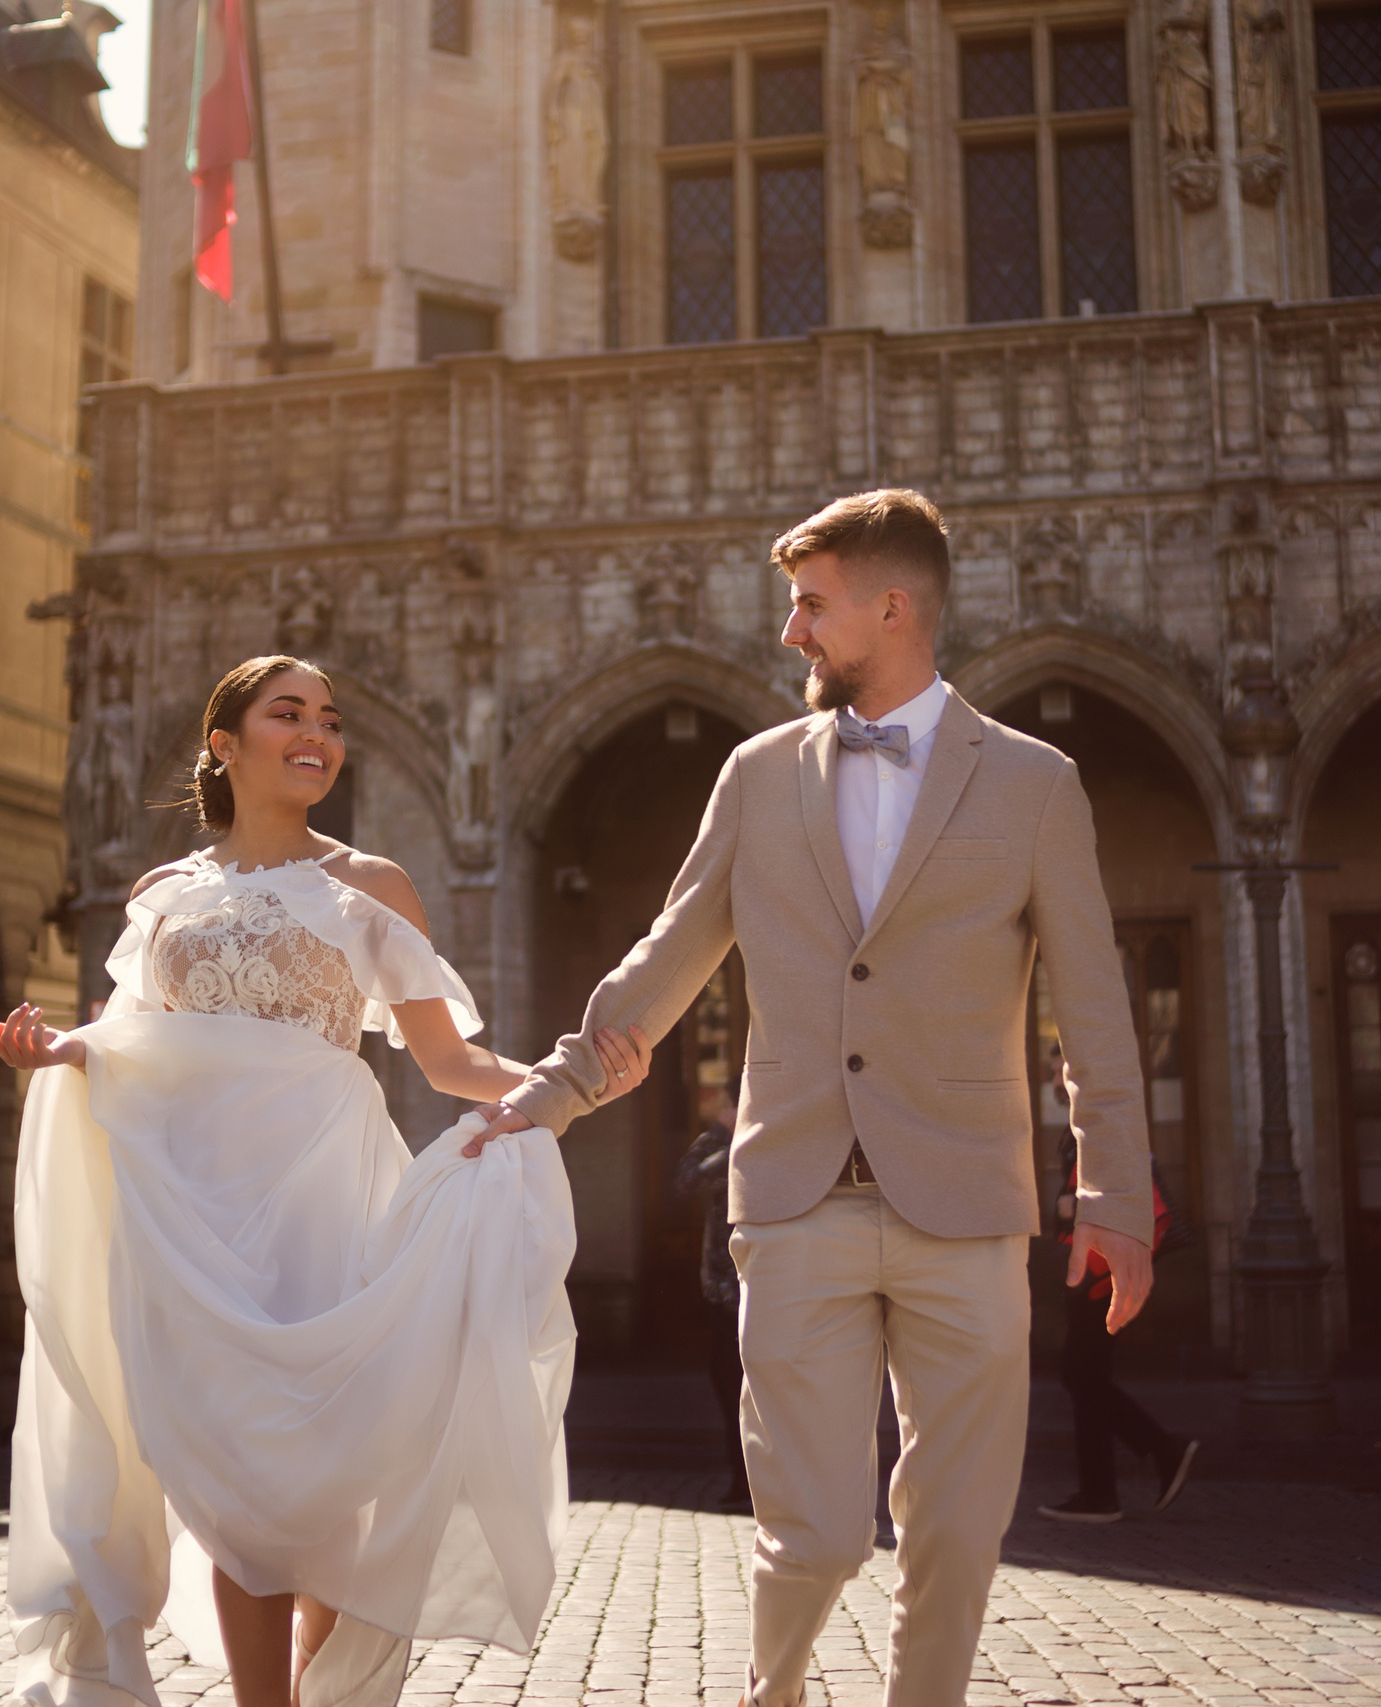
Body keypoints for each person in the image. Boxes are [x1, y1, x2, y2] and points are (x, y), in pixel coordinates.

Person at [474, 489, 1155, 1707]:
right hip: (794, 1207)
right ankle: (772, 1689)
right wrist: (557, 1089)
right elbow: (670, 951)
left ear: (890, 610)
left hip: (967, 1205)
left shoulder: (1036, 785)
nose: (790, 631)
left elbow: (1093, 1010)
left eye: (809, 605)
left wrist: (1112, 1194)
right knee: (818, 1532)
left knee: (956, 1531)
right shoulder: (756, 775)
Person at [0, 654, 651, 1707]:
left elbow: (445, 1066)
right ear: (224, 744)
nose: (318, 735)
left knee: (321, 1479)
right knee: (233, 1480)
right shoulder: (162, 894)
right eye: (286, 713)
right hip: (190, 1210)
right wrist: (56, 1050)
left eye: (331, 720)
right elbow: (132, 1038)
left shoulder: (372, 887)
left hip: (320, 1199)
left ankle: (328, 1692)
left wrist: (566, 1083)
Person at [1037, 1123, 1198, 1522]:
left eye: (1059, 1067)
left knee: (1081, 1376)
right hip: (1101, 1275)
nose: (1056, 1076)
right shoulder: (1093, 1131)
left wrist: (1071, 1207)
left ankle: (1141, 1465)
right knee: (1084, 1378)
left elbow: (1099, 1198)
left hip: (1098, 1277)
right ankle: (1107, 1487)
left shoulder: (1097, 1129)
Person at [673, 1091, 752, 1512]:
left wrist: (740, 1134)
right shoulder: (718, 1144)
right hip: (722, 1288)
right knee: (727, 1385)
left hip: (764, 1283)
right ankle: (741, 1480)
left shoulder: (767, 1139)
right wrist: (723, 1134)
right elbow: (686, 1180)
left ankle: (765, 1483)